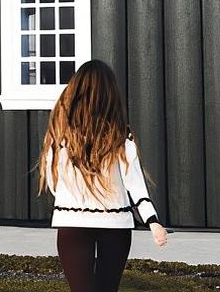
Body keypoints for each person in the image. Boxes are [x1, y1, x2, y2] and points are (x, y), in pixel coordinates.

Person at [38, 59, 168, 292]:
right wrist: (153, 221)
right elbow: (136, 186)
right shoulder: (120, 137)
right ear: (110, 94)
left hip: (72, 222)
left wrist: (75, 197)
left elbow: (53, 183)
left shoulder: (58, 137)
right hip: (115, 224)